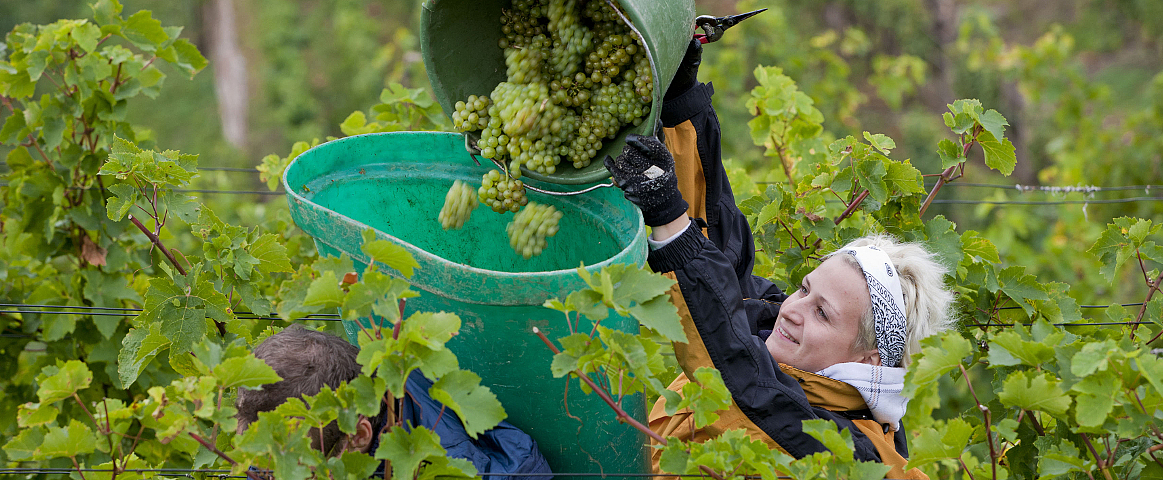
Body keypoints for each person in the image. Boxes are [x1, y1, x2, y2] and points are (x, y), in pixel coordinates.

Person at [611, 40, 955, 479]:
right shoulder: (776, 337)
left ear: (867, 361)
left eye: (823, 314)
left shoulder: (857, 458)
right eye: (805, 288)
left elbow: (748, 391)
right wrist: (682, 109)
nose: (793, 310)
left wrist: (669, 224)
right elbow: (722, 261)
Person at [235, 325, 552, 479]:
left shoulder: (451, 469)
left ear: (358, 437)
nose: (270, 472)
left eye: (293, 467)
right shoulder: (335, 406)